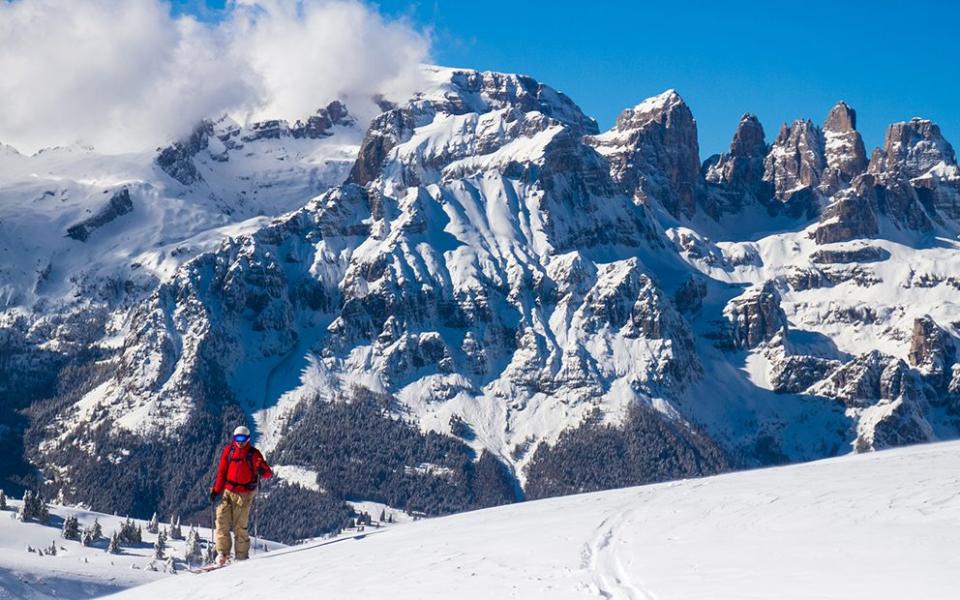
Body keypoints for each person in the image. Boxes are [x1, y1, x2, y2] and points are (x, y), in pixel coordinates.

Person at [209, 425, 273, 564]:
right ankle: (223, 554)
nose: (240, 441)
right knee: (221, 521)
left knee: (240, 526)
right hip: (228, 491)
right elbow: (222, 472)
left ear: (248, 438)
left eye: (243, 438)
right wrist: (216, 490)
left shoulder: (253, 454)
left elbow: (268, 472)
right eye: (237, 438)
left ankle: (241, 557)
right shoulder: (229, 451)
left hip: (244, 495)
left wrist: (262, 470)